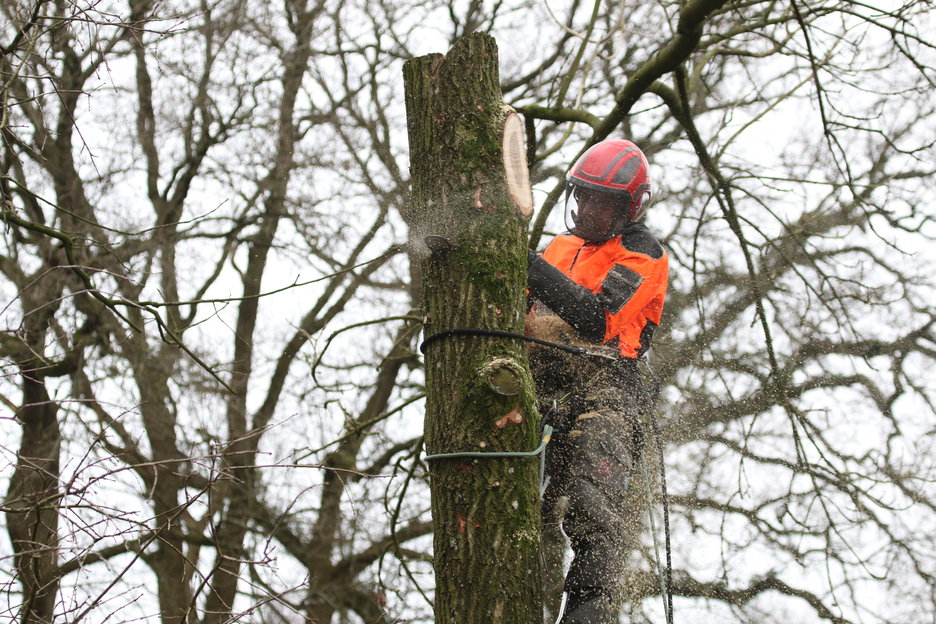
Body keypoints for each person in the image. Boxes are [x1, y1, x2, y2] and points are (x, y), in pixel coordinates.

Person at [526, 139, 669, 623]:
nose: (589, 209)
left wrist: (527, 265)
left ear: (628, 208)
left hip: (606, 378)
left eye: (602, 202)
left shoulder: (640, 253)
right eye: (584, 196)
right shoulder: (561, 247)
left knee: (592, 489)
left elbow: (599, 318)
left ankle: (590, 604)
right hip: (543, 373)